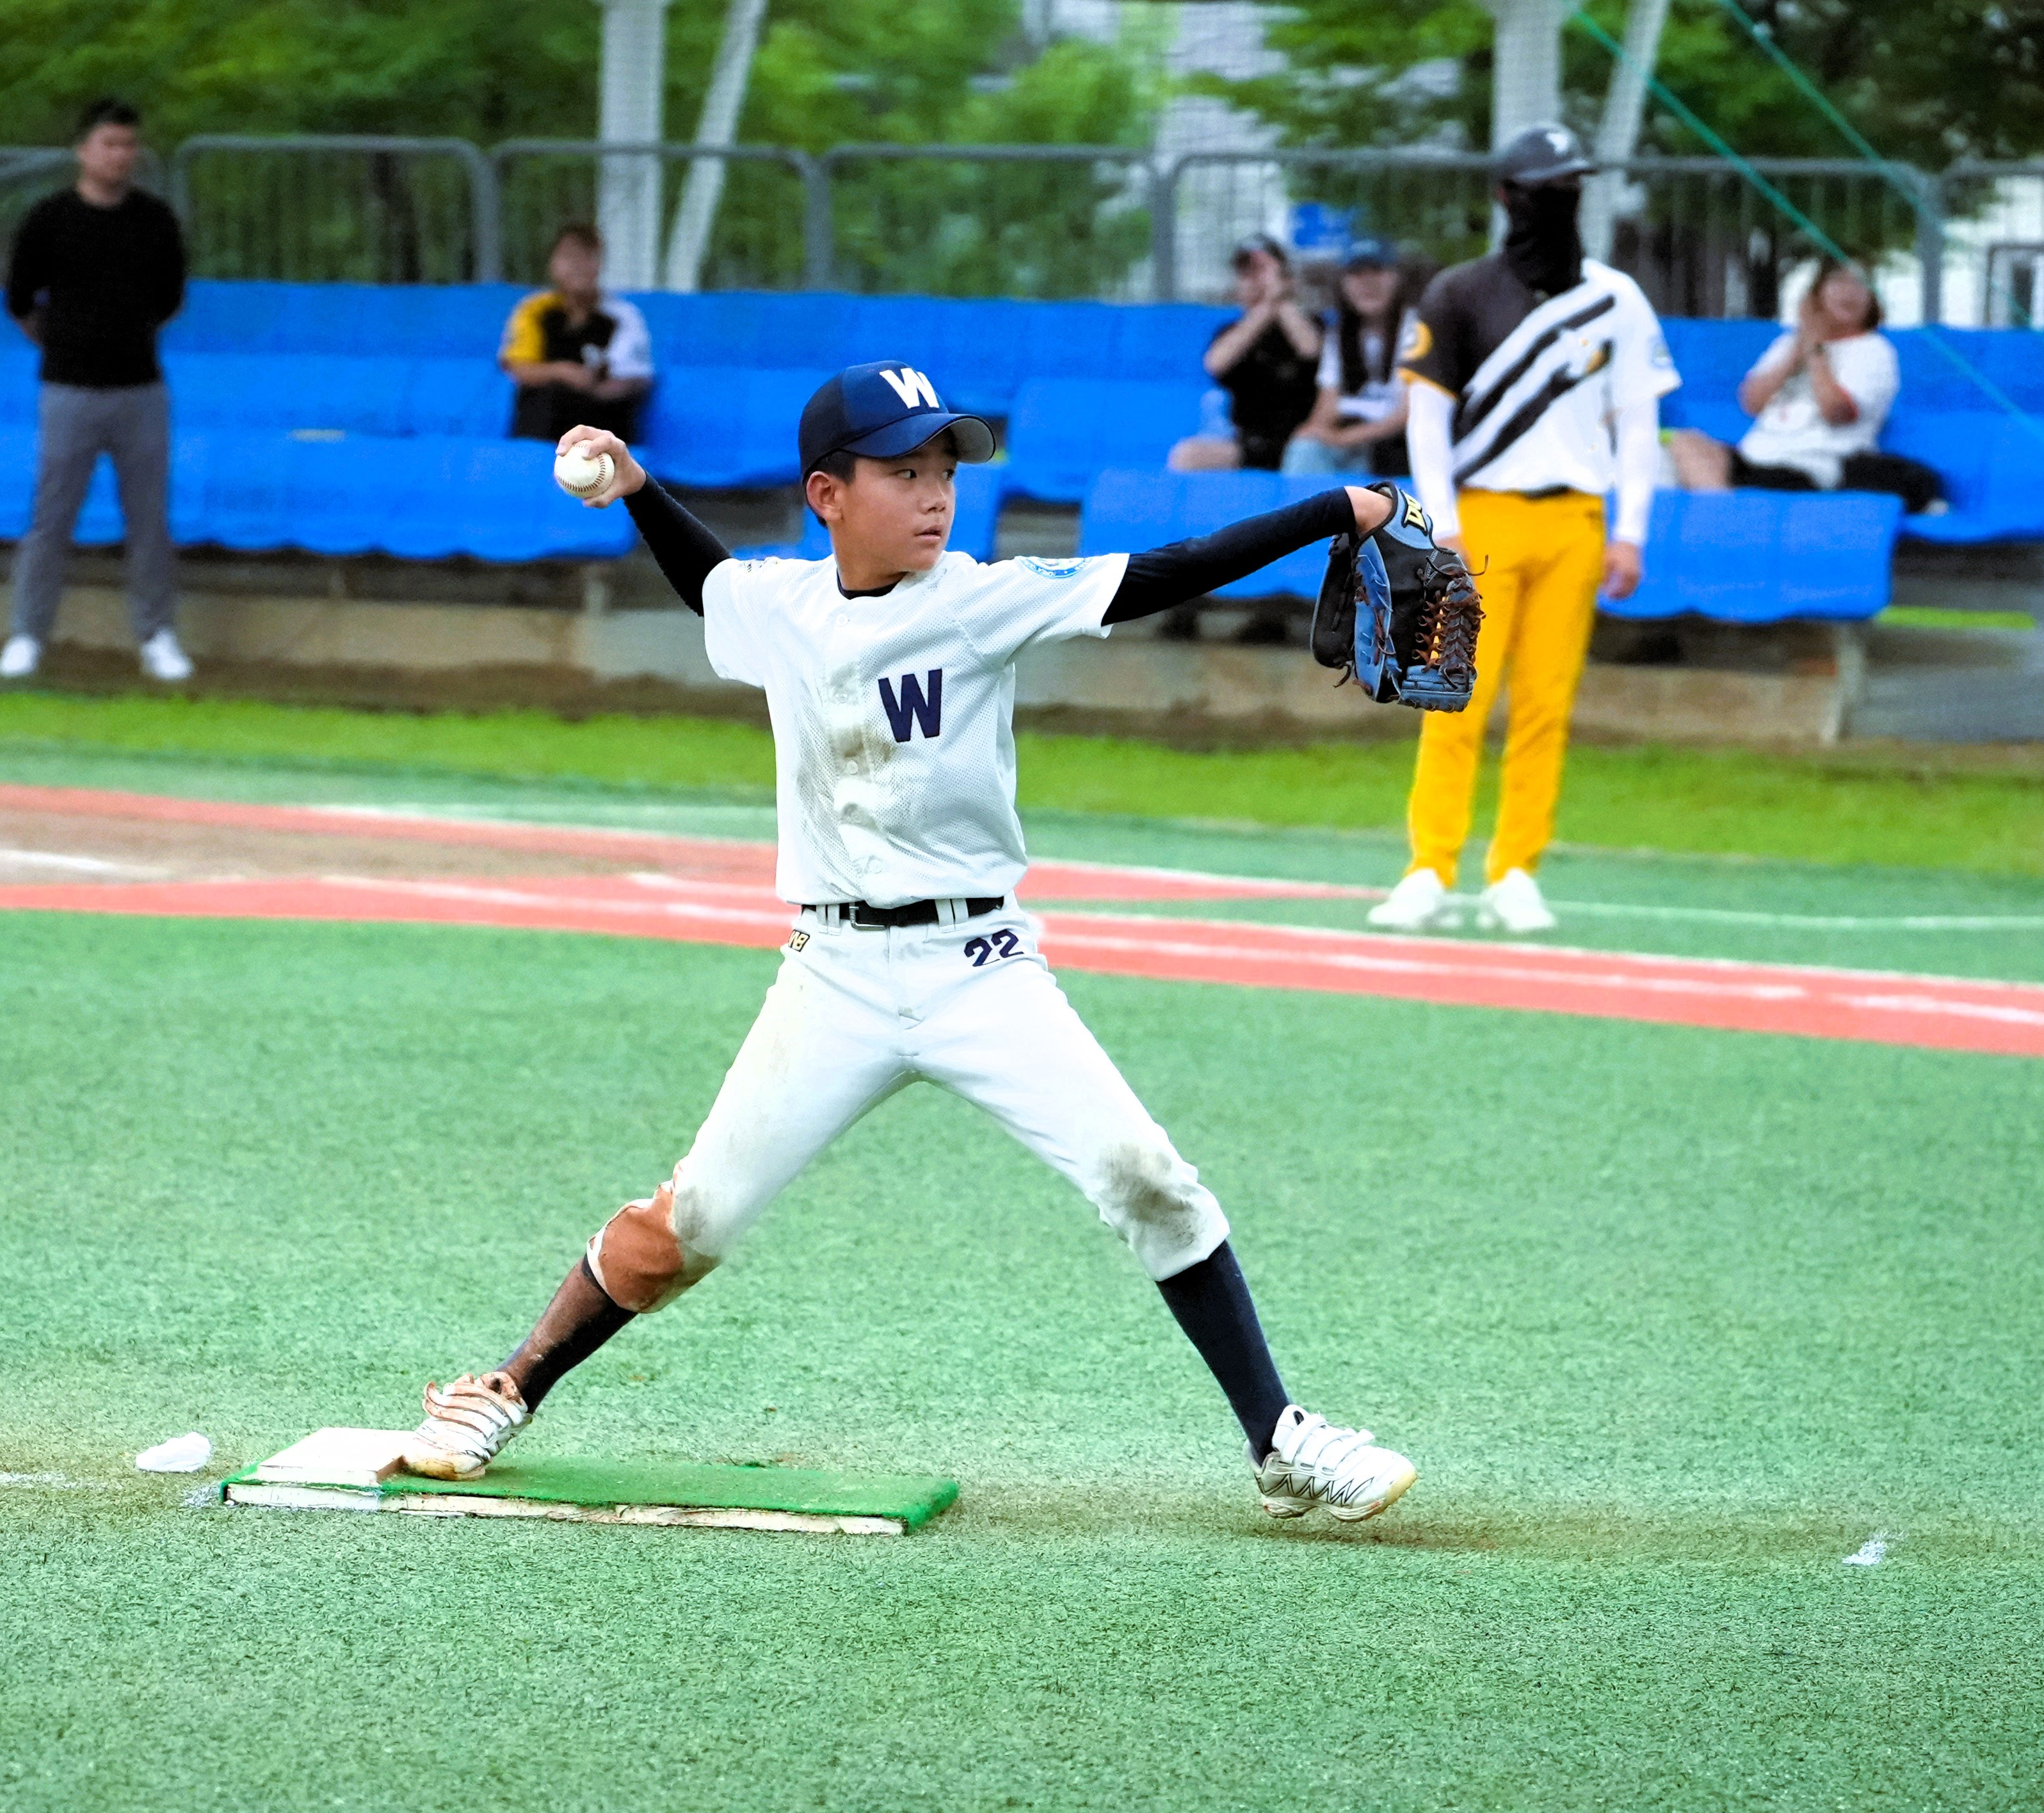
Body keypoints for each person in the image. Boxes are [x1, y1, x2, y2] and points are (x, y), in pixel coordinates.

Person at [399, 361, 1429, 1526]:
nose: (937, 493)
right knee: (692, 1225)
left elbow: (1165, 572)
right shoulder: (782, 606)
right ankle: (506, 1389)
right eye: (904, 472)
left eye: (945, 468)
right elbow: (712, 583)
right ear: (827, 496)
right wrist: (638, 488)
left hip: (979, 968)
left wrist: (1332, 509)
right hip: (832, 976)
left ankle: (1280, 1438)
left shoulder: (981, 597)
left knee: (1146, 1175)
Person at [1369, 124, 1677, 938]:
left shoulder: (1615, 298)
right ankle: (1429, 869)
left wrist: (1630, 531)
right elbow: (1425, 419)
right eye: (1543, 188)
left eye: (1570, 186)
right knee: (1453, 697)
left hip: (1575, 519)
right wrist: (1439, 524)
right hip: (1480, 518)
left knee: (1545, 707)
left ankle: (1514, 871)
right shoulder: (1458, 293)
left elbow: (1637, 424)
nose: (1559, 200)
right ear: (1506, 195)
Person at [0, 99, 190, 685]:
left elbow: (170, 299)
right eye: (109, 144)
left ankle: (156, 634)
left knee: (149, 519)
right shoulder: (49, 219)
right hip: (68, 389)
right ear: (83, 151)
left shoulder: (154, 220)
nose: (119, 156)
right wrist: (64, 342)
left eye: (129, 145)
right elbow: (20, 299)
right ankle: (28, 634)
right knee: (52, 517)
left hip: (140, 387)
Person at [1668, 260, 1940, 515]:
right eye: (1839, 281)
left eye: (1860, 284)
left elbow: (1837, 413)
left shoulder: (1874, 350)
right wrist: (1798, 349)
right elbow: (1751, 403)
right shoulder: (1787, 344)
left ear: (1872, 300)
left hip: (1813, 468)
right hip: (1755, 458)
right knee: (1685, 442)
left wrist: (1815, 352)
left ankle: (1728, 517)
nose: (1850, 292)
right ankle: (1725, 513)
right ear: (1816, 295)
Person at [1169, 235, 1324, 474]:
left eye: (1261, 272)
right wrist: (1266, 306)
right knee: (1187, 456)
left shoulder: (1310, 324)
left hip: (1302, 444)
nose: (1254, 281)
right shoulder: (1233, 332)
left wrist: (1280, 299)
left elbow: (1310, 349)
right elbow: (1215, 364)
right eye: (1246, 275)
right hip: (1249, 443)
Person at [499, 222, 654, 446]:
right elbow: (520, 367)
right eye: (569, 257)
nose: (578, 266)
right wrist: (562, 372)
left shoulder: (623, 316)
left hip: (601, 420)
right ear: (553, 264)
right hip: (546, 422)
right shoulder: (534, 310)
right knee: (538, 398)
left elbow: (633, 379)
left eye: (586, 257)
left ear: (599, 264)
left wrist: (588, 388)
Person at [1284, 239, 1412, 478]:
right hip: (1348, 439)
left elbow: (1408, 412)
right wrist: (1313, 432)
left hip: (1395, 444)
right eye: (1357, 274)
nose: (1368, 283)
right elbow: (1327, 406)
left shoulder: (1416, 329)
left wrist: (1342, 438)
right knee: (1304, 449)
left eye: (1377, 271)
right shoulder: (1339, 335)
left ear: (1397, 279)